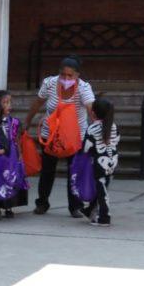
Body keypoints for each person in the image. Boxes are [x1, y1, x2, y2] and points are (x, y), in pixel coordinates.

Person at [24, 56, 95, 217]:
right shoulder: (49, 83)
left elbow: (91, 108)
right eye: (63, 75)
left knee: (74, 171)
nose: (66, 79)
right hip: (51, 136)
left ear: (77, 75)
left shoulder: (84, 88)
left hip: (75, 138)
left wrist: (98, 127)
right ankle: (42, 203)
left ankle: (75, 206)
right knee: (47, 170)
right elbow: (38, 103)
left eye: (70, 76)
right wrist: (27, 121)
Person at [80, 98, 119, 226]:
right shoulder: (113, 126)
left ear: (93, 113)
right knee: (102, 188)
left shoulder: (92, 128)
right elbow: (116, 140)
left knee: (102, 191)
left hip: (99, 163)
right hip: (112, 160)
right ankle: (90, 209)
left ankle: (104, 217)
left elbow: (86, 147)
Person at [0, 91, 28, 216]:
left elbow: (17, 139)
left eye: (10, 102)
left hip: (12, 156)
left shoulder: (14, 122)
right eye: (5, 102)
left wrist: (20, 154)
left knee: (11, 179)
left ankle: (9, 207)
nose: (9, 105)